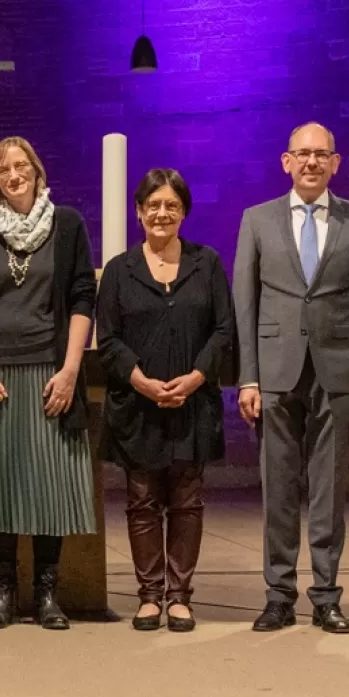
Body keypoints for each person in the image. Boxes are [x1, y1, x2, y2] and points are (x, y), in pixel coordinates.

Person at [234, 124, 349, 635]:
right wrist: (247, 378)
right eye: (303, 154)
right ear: (285, 161)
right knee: (278, 488)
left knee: (329, 489)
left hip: (338, 370)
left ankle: (326, 595)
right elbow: (244, 305)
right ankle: (278, 595)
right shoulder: (256, 220)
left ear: (336, 163)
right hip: (275, 371)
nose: (312, 162)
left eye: (322, 154)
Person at [0, 136, 97, 630]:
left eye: (22, 165)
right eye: (3, 168)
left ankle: (48, 594)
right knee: (1, 487)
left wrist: (71, 370)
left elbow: (81, 298)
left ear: (37, 170)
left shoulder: (68, 223)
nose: (14, 174)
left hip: (50, 373)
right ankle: (4, 593)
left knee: (47, 485)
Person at [97, 169, 235, 632]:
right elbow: (109, 338)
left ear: (183, 212)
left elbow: (223, 330)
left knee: (187, 500)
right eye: (153, 205)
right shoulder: (119, 269)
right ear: (139, 212)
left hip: (192, 403)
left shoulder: (206, 263)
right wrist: (142, 381)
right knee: (141, 501)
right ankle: (149, 596)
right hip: (139, 404)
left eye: (171, 206)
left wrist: (196, 377)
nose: (162, 213)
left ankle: (180, 596)